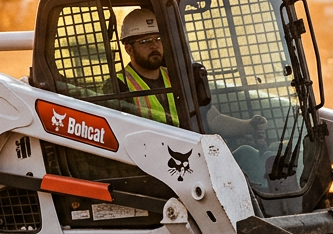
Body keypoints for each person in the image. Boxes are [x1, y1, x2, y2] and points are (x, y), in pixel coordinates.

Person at [106, 9, 266, 139]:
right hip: (151, 164)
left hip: (187, 156)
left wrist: (249, 126)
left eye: (158, 39)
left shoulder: (177, 77)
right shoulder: (116, 86)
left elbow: (212, 119)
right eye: (145, 42)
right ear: (128, 49)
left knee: (247, 152)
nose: (154, 46)